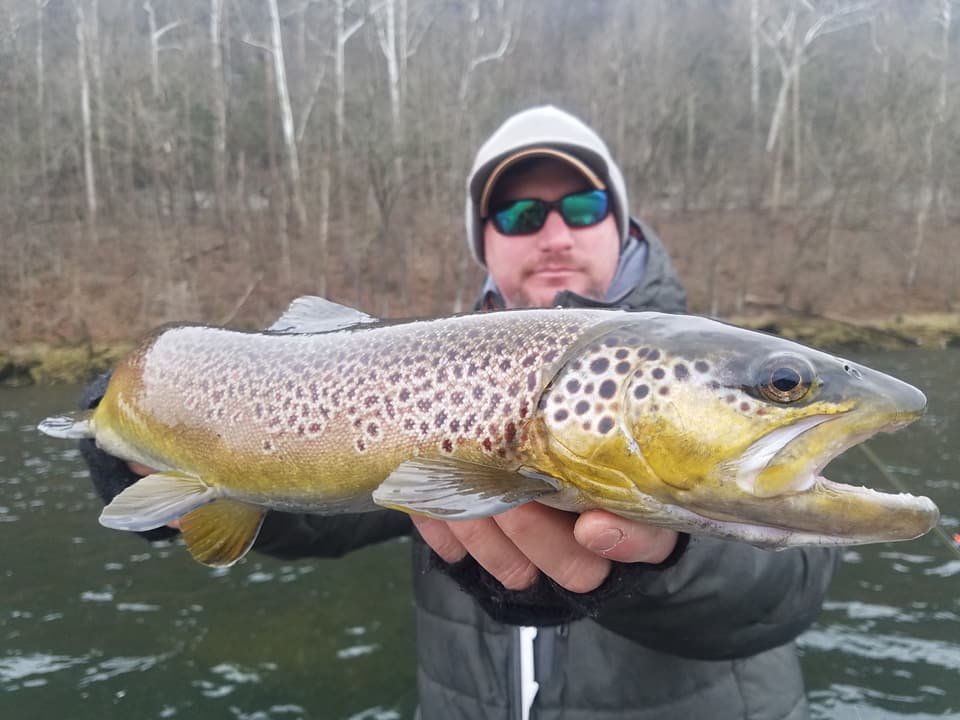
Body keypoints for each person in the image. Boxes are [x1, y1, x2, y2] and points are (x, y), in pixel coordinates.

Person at [79, 105, 839, 720]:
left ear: (622, 223)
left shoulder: (730, 373)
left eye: (582, 203)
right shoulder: (430, 379)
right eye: (516, 215)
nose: (553, 232)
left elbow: (787, 589)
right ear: (484, 243)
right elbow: (302, 511)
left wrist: (663, 558)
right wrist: (129, 444)